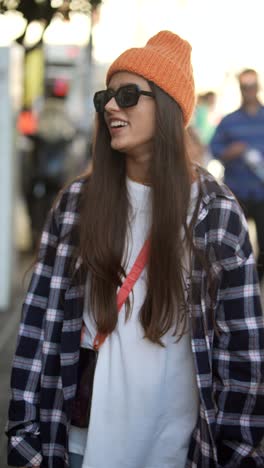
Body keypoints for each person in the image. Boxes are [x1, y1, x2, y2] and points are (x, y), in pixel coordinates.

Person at [6, 31, 264, 468]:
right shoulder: (76, 205)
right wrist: (25, 443)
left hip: (174, 446)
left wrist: (237, 455)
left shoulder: (215, 213)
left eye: (128, 95)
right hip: (78, 445)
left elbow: (244, 355)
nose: (110, 106)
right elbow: (38, 330)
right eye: (105, 95)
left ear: (167, 109)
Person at [210, 68, 264, 284]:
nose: (249, 89)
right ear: (241, 88)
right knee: (231, 244)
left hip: (262, 194)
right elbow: (214, 149)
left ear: (258, 86)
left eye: (252, 85)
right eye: (244, 85)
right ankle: (237, 282)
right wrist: (230, 152)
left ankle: (255, 282)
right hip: (236, 194)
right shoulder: (229, 121)